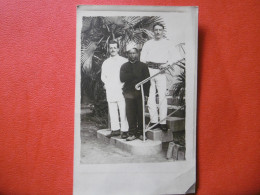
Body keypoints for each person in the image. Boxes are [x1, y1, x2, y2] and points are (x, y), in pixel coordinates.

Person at [140, 22, 180, 131]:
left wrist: (166, 64)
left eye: (160, 30)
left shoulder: (167, 43)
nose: (158, 32)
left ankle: (163, 122)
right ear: (153, 31)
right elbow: (142, 59)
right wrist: (145, 70)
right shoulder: (148, 43)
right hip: (149, 71)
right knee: (151, 97)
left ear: (163, 31)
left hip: (161, 72)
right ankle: (154, 121)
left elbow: (176, 57)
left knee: (162, 96)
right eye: (156, 30)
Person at [120, 43, 150, 141]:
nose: (132, 55)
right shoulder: (124, 66)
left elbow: (147, 81)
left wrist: (146, 94)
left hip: (140, 93)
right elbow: (122, 78)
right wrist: (135, 75)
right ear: (127, 54)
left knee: (140, 113)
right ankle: (132, 133)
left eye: (134, 53)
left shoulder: (143, 66)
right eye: (130, 53)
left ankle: (140, 133)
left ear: (137, 54)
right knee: (130, 114)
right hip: (129, 93)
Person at [101, 40, 129, 139]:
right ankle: (115, 129)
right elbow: (103, 76)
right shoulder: (106, 62)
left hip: (121, 89)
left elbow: (127, 75)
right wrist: (107, 85)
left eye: (114, 47)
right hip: (110, 89)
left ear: (118, 49)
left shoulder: (124, 61)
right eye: (111, 48)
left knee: (123, 110)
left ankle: (125, 130)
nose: (113, 49)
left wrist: (123, 86)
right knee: (112, 109)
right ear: (109, 49)